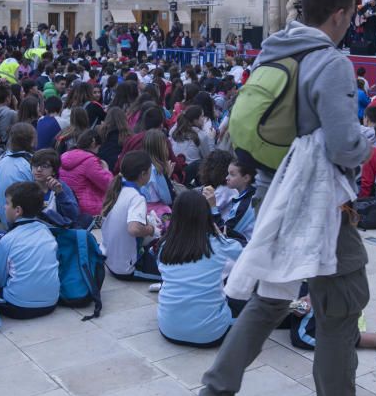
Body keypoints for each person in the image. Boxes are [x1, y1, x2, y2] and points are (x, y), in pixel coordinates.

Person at [187, 0, 376, 396]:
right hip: (320, 202)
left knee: (270, 299)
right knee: (342, 304)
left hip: (271, 192)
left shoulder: (274, 49)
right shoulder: (331, 62)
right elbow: (344, 147)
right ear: (340, 14)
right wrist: (368, 138)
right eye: (351, 16)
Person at [157, 190, 244, 347]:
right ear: (205, 215)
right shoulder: (219, 244)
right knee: (242, 297)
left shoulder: (165, 246)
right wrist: (218, 230)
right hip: (210, 334)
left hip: (169, 329)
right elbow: (243, 257)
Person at [0, 182, 60, 319]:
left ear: (18, 211)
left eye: (7, 203)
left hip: (18, 306)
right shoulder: (47, 232)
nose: (4, 207)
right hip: (51, 302)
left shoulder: (8, 240)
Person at [100, 150, 160, 281]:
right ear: (143, 174)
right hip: (126, 268)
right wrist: (151, 230)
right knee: (171, 273)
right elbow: (134, 229)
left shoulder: (119, 189)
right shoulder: (137, 197)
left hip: (109, 261)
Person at [59, 129, 113, 220]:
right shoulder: (90, 161)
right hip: (89, 209)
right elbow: (109, 185)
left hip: (69, 205)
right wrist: (106, 169)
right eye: (98, 148)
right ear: (93, 143)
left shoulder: (64, 156)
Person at [30, 149, 81, 227]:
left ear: (54, 171)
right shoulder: (27, 188)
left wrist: (60, 194)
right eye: (35, 165)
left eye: (45, 166)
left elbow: (74, 216)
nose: (39, 169)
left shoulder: (61, 187)